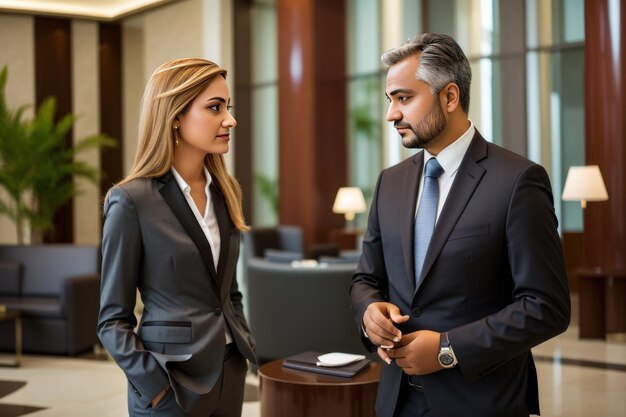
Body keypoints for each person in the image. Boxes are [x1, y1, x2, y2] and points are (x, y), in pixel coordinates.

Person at [349, 33, 570, 417]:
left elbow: (546, 306)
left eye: (404, 98)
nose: (391, 114)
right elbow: (365, 279)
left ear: (449, 97)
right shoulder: (390, 182)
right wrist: (370, 315)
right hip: (396, 401)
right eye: (390, 100)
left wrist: (447, 349)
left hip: (482, 401)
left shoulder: (518, 181)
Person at [98, 58, 256, 417]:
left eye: (227, 108)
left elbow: (228, 292)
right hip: (170, 383)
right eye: (214, 108)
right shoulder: (131, 201)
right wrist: (154, 388)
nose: (230, 120)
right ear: (175, 117)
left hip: (229, 374)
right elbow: (112, 320)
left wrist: (243, 344)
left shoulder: (225, 192)